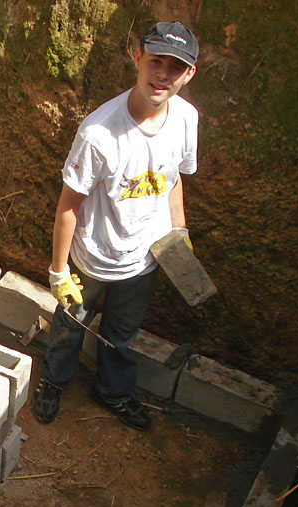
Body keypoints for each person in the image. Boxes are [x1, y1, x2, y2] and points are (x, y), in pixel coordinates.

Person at [32, 21, 199, 431]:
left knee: (121, 336)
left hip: (143, 261)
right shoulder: (99, 134)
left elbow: (174, 177)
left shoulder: (186, 119)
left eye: (175, 67)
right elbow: (69, 204)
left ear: (189, 74)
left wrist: (179, 233)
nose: (163, 75)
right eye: (156, 61)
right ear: (137, 57)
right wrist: (58, 272)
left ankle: (112, 392)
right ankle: (53, 381)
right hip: (93, 259)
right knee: (69, 328)